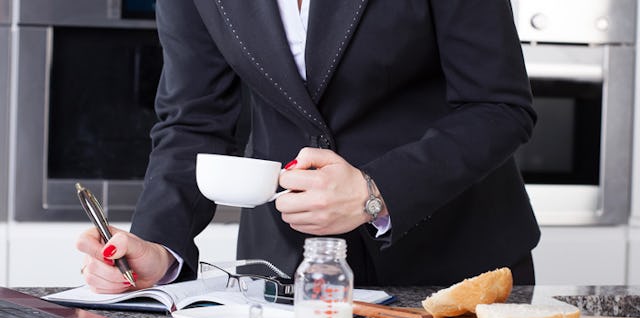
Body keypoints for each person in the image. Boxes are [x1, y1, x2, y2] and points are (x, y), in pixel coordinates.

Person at [76, 0, 540, 294]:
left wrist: (378, 191)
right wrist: (158, 248)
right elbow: (192, 122)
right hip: (288, 275)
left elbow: (498, 105)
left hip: (456, 266)